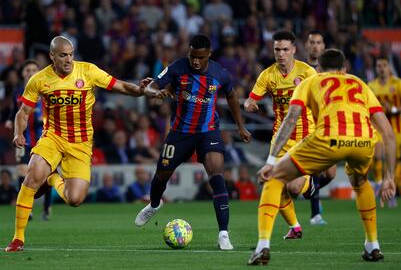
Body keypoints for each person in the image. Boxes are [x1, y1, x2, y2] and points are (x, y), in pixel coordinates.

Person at [248, 49, 396, 265]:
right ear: (344, 69)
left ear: (318, 68)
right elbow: (388, 133)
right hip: (362, 141)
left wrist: (271, 161)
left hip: (328, 137)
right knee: (360, 181)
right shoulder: (359, 83)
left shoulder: (310, 81)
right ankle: (372, 245)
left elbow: (290, 121)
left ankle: (262, 246)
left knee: (275, 178)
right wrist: (389, 176)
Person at [5, 36, 149, 252]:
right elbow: (23, 112)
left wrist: (139, 90)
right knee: (32, 176)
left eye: (71, 54)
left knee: (75, 199)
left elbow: (117, 85)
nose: (68, 59)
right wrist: (18, 133)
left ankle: (53, 179)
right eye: (63, 55)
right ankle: (18, 239)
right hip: (52, 137)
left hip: (81, 143)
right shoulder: (39, 79)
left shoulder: (88, 71)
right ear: (52, 56)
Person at [135, 34, 251, 250]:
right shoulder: (178, 67)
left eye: (200, 57)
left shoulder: (220, 74)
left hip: (208, 132)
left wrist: (240, 127)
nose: (195, 61)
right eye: (192, 56)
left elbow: (233, 97)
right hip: (180, 133)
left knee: (217, 176)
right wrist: (156, 91)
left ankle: (223, 234)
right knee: (162, 174)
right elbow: (151, 85)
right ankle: (153, 204)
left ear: (209, 55)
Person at [244, 30, 317, 245]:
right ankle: (295, 227)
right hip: (280, 139)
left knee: (294, 188)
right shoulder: (267, 75)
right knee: (275, 184)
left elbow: (320, 97)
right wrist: (249, 104)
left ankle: (309, 184)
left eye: (285, 49)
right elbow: (250, 99)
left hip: (305, 135)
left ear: (294, 49)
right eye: (277, 49)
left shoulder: (307, 71)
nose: (281, 54)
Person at [5, 59, 52, 220]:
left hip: (42, 138)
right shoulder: (18, 92)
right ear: (23, 73)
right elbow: (14, 110)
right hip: (23, 138)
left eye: (34, 69)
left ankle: (47, 207)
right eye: (27, 70)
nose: (31, 72)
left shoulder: (46, 89)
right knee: (22, 171)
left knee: (44, 176)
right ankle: (28, 208)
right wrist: (10, 120)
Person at [368, 57, 401, 205]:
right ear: (376, 68)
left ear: (389, 67)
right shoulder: (371, 86)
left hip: (395, 130)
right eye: (379, 65)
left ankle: (391, 191)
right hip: (378, 129)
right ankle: (379, 183)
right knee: (377, 156)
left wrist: (393, 109)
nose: (381, 68)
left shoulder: (398, 84)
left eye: (384, 65)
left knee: (393, 162)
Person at [303, 30, 337, 225]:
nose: (315, 46)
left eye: (318, 42)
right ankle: (316, 215)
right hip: (308, 123)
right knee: (314, 169)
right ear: (307, 46)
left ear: (323, 46)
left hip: (327, 123)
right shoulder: (300, 69)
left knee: (331, 173)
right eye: (312, 42)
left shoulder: (330, 70)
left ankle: (309, 191)